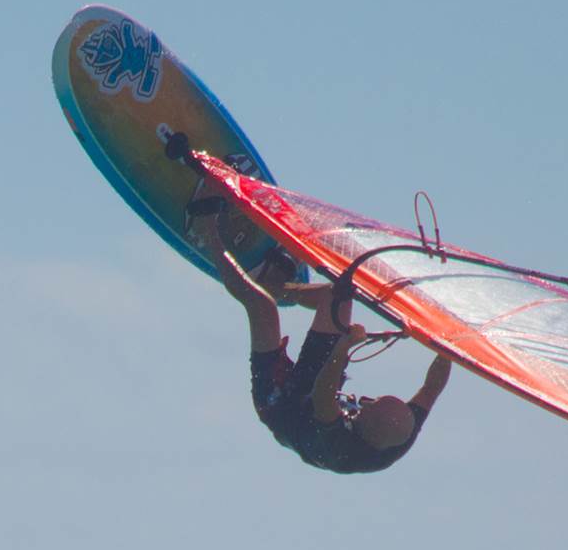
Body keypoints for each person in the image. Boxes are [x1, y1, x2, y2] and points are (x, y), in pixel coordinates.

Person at [187, 186, 451, 476]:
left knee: (263, 309)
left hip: (281, 407)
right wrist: (446, 340)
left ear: (364, 425)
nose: (366, 399)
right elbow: (432, 388)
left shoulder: (338, 445)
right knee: (338, 296)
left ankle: (206, 227)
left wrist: (345, 345)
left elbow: (324, 390)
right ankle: (274, 284)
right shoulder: (402, 431)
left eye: (369, 405)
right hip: (314, 394)